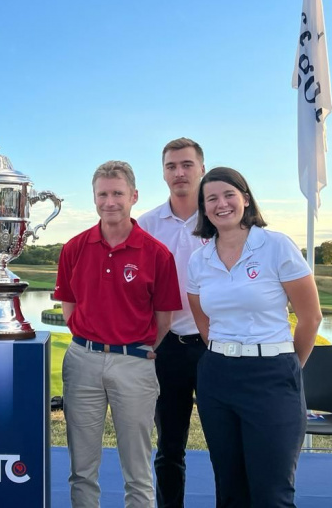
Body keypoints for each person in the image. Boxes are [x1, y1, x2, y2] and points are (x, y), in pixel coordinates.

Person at [186, 167, 322, 507]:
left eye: (229, 194)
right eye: (211, 198)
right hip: (218, 377)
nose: (222, 204)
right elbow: (203, 321)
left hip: (272, 376)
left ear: (245, 199)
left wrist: (287, 364)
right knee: (230, 489)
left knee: (271, 492)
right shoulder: (198, 259)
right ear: (203, 209)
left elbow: (310, 317)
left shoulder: (276, 245)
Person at [54, 160, 182, 508]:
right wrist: (92, 341)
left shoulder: (157, 253)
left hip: (134, 364)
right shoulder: (74, 248)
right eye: (103, 194)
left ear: (134, 196)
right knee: (82, 467)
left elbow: (163, 319)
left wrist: (136, 349)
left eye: (117, 194)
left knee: (137, 469)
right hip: (83, 361)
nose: (110, 202)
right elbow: (68, 308)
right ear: (94, 197)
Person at [137, 137, 206, 508]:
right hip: (167, 347)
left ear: (202, 169)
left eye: (186, 165)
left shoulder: (222, 218)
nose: (179, 173)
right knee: (169, 447)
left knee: (226, 444)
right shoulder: (146, 224)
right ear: (163, 173)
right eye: (171, 166)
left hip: (216, 346)